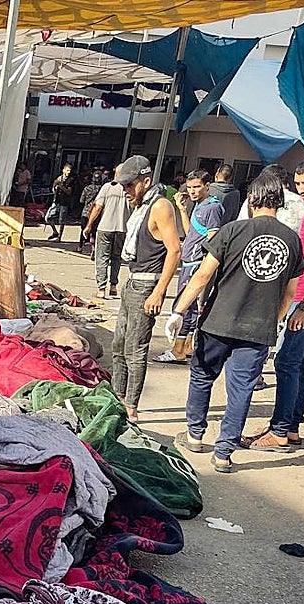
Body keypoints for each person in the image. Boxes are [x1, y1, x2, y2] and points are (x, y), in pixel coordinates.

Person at [171, 172, 304, 473]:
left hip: (218, 321)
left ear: (252, 199)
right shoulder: (292, 241)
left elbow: (202, 276)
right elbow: (290, 292)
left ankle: (195, 435)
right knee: (242, 389)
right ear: (279, 201)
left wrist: (179, 311)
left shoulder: (232, 230)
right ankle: (224, 453)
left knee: (202, 376)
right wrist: (274, 319)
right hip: (258, 328)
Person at [243, 156, 304, 452]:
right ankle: (289, 427)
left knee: (286, 361)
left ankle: (280, 430)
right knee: (302, 363)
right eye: (297, 183)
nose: (301, 188)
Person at [109, 155, 182, 423]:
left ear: (146, 181)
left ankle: (131, 407)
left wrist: (159, 291)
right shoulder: (139, 206)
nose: (126, 191)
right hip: (132, 281)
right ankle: (117, 396)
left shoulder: (160, 206)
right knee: (119, 345)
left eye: (130, 185)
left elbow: (175, 250)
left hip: (147, 284)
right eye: (123, 186)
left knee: (135, 349)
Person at [155, 169, 224, 364]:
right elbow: (192, 232)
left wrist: (205, 265)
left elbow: (212, 239)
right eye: (190, 187)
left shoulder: (212, 208)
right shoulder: (200, 205)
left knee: (184, 305)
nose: (192, 191)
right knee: (189, 306)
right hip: (189, 260)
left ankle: (178, 348)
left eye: (197, 187)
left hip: (195, 263)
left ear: (207, 186)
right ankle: (186, 346)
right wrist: (182, 210)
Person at [85, 165, 130, 298]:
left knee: (102, 258)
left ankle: (101, 289)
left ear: (115, 173)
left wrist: (89, 225)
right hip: (123, 228)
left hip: (105, 227)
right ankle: (113, 286)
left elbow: (97, 207)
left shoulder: (107, 187)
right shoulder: (130, 188)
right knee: (116, 258)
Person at [45, 164, 75, 241]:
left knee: (62, 220)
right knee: (48, 217)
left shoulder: (70, 180)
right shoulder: (59, 178)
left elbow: (69, 192)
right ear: (63, 170)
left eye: (70, 170)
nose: (68, 172)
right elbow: (53, 189)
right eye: (67, 170)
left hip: (64, 202)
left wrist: (61, 186)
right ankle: (55, 232)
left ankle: (59, 237)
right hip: (56, 201)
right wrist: (55, 186)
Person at [77, 169, 104, 252]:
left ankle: (80, 247)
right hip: (96, 213)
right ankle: (93, 249)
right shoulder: (102, 189)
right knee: (94, 232)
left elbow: (81, 200)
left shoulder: (87, 188)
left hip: (85, 212)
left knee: (83, 230)